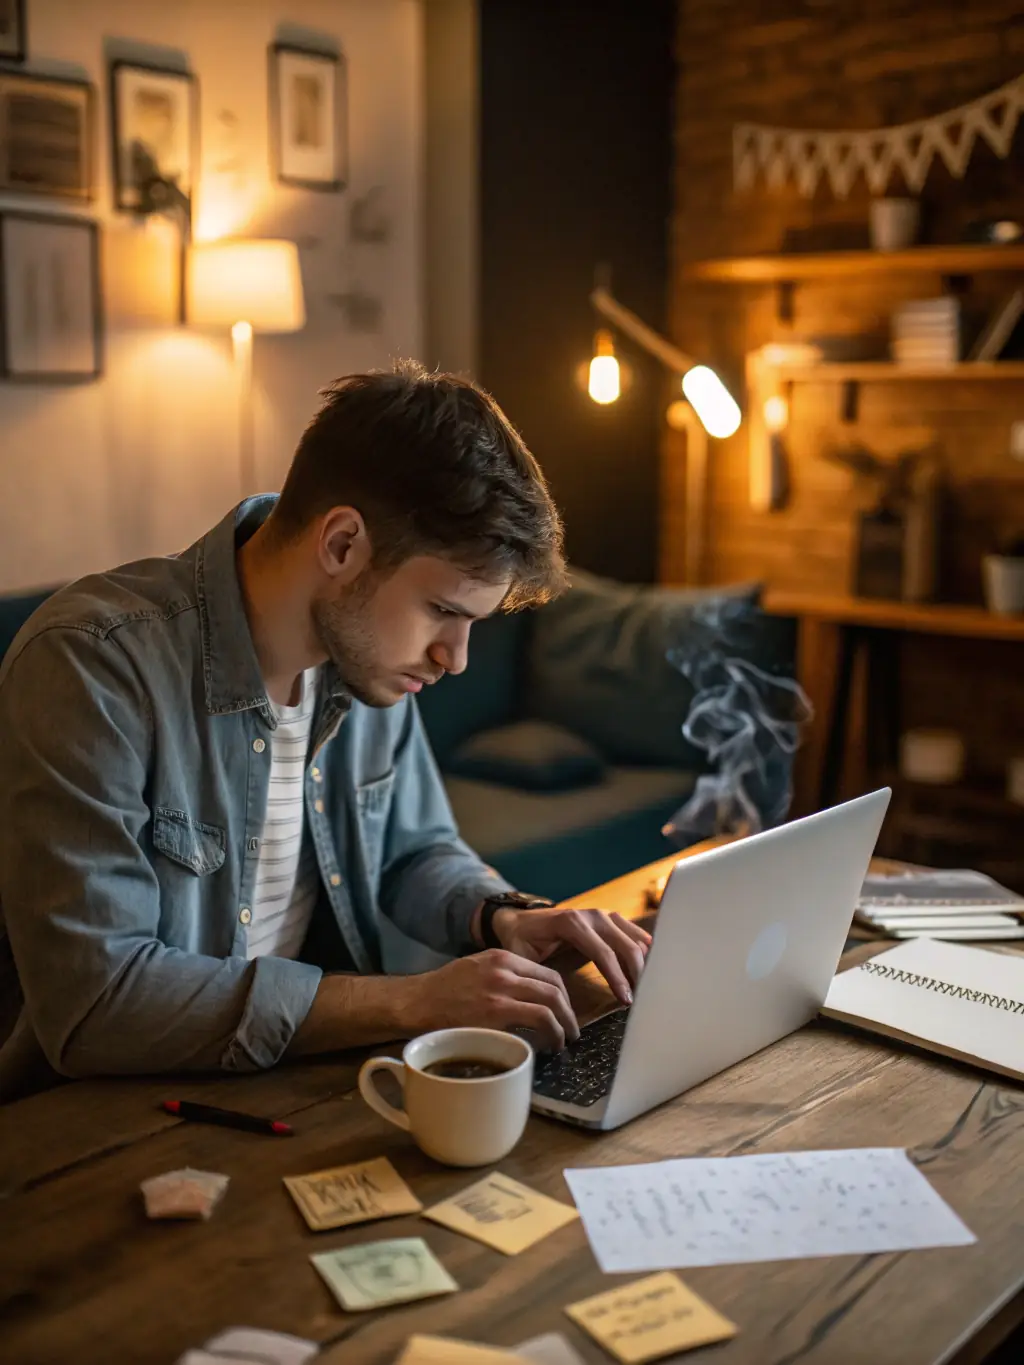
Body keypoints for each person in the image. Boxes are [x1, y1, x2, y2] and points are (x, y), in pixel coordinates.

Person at [0, 363, 650, 1099]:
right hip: (97, 1120)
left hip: (297, 1080)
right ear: (342, 544)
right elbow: (97, 1003)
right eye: (444, 610)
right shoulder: (93, 665)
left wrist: (500, 915)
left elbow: (412, 850)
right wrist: (416, 1001)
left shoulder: (368, 659)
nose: (456, 659)